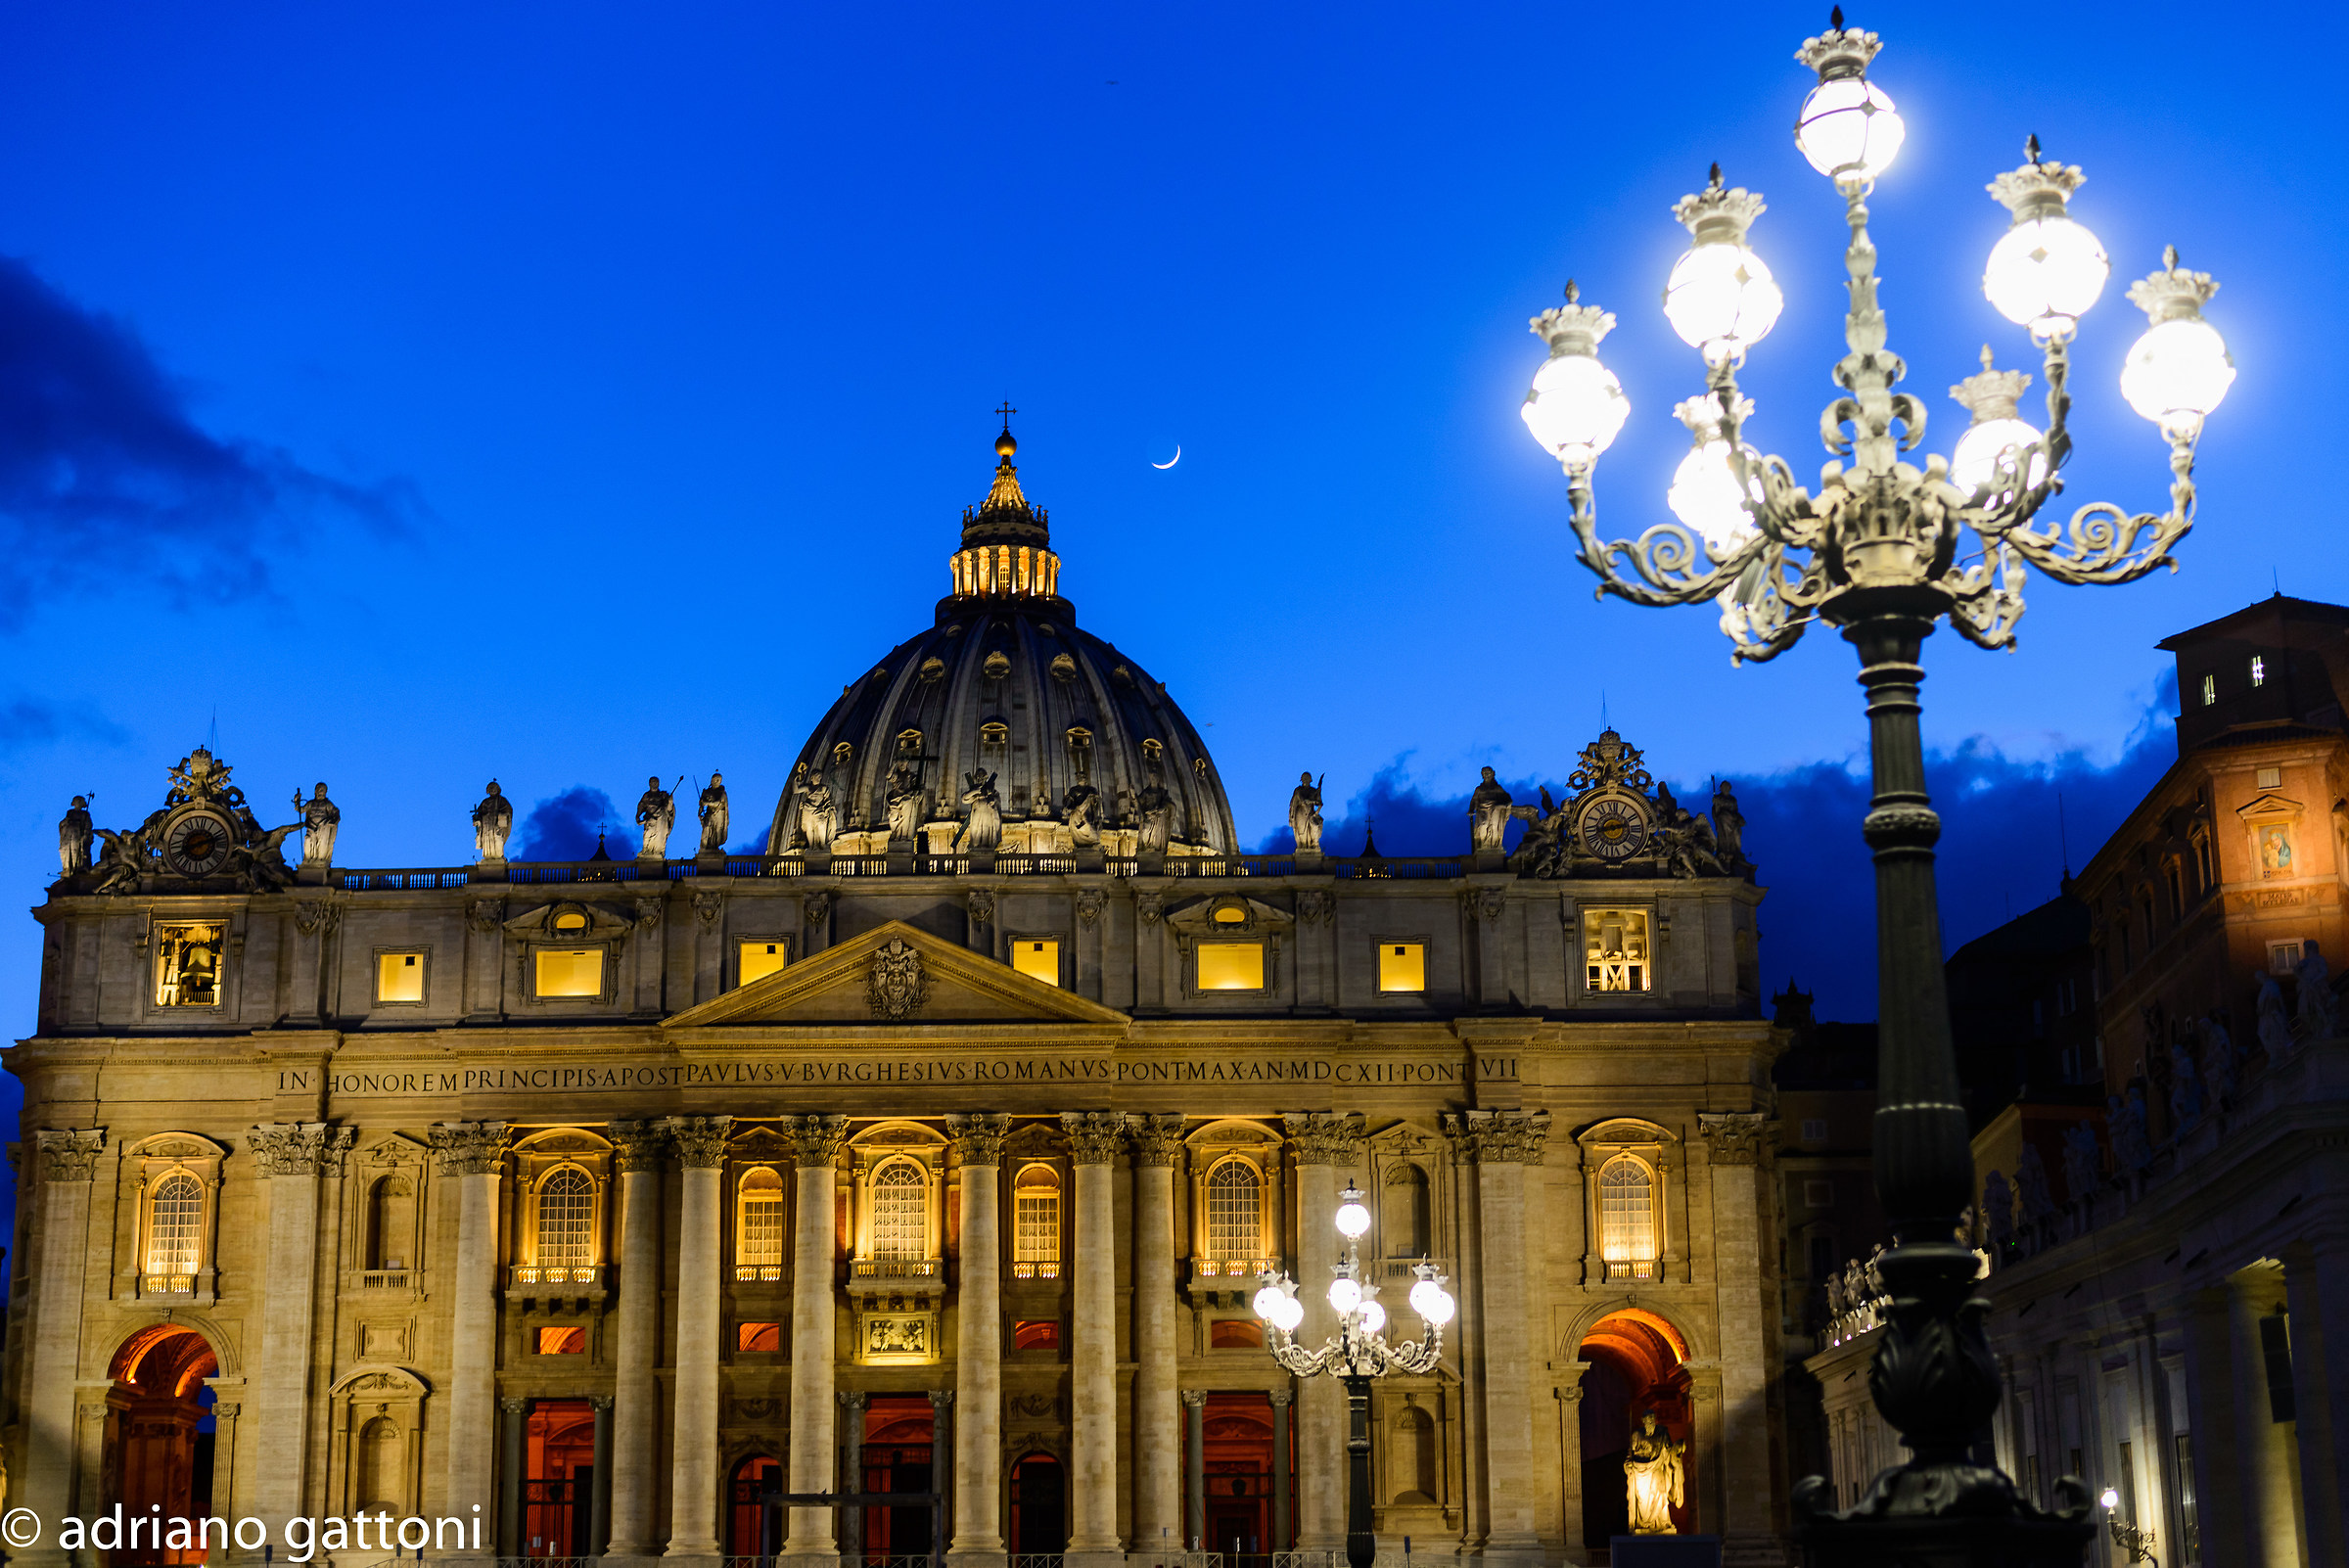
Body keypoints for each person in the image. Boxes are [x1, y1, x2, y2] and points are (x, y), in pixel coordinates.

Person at [1624, 1411, 1683, 1534]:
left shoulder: (1662, 1433)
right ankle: (1644, 1523)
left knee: (1661, 1493)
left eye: (1652, 1419)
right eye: (1647, 1419)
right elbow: (1630, 1453)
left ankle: (1663, 1521)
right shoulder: (1637, 1435)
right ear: (1643, 1421)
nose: (1650, 1421)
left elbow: (1668, 1450)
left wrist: (1677, 1451)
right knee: (1643, 1498)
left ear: (1655, 1420)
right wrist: (1628, 1464)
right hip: (1640, 1470)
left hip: (1657, 1467)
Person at [295, 783, 341, 866]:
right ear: (315, 791)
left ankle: (320, 862)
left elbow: (336, 814)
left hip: (323, 828)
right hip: (311, 827)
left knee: (322, 846)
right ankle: (308, 860)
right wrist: (296, 801)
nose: (319, 792)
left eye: (322, 790)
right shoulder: (311, 803)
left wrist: (330, 822)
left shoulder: (328, 804)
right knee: (308, 841)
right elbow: (300, 810)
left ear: (325, 792)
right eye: (317, 790)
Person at [635, 776, 676, 859]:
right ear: (649, 784)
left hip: (660, 819)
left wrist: (670, 801)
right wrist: (638, 816)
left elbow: (669, 809)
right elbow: (641, 805)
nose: (654, 784)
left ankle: (657, 852)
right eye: (653, 782)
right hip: (650, 819)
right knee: (648, 834)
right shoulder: (646, 795)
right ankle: (646, 850)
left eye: (656, 782)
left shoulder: (663, 795)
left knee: (659, 836)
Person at [473, 782, 513, 861]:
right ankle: (488, 856)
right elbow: (479, 813)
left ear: (497, 790)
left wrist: (501, 815)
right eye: (490, 789)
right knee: (487, 840)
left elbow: (508, 810)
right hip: (486, 825)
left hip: (496, 824)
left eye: (494, 788)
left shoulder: (502, 800)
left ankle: (498, 855)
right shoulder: (485, 802)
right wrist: (477, 819)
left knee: (497, 839)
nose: (492, 790)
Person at [1288, 771, 1324, 854]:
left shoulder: (1313, 790)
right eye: (1304, 778)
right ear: (1301, 780)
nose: (1305, 780)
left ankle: (1313, 845)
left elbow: (1319, 802)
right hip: (1300, 813)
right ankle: (1302, 847)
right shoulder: (1298, 790)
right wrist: (1291, 817)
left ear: (1310, 780)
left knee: (1313, 829)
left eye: (1307, 778)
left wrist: (1313, 800)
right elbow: (1293, 804)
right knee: (1301, 831)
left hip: (1310, 812)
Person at [58, 794, 94, 875]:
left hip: (77, 834)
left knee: (75, 850)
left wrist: (85, 834)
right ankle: (67, 868)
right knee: (65, 850)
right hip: (68, 834)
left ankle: (75, 868)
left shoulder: (85, 814)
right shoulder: (69, 813)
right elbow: (62, 823)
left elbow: (88, 825)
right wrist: (65, 823)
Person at [698, 772, 729, 855]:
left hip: (719, 815)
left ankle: (715, 848)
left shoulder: (722, 792)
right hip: (709, 814)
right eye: (716, 780)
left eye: (719, 780)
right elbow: (701, 804)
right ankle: (704, 847)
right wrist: (700, 813)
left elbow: (718, 803)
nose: (717, 782)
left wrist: (707, 803)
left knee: (717, 831)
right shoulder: (706, 791)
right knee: (706, 830)